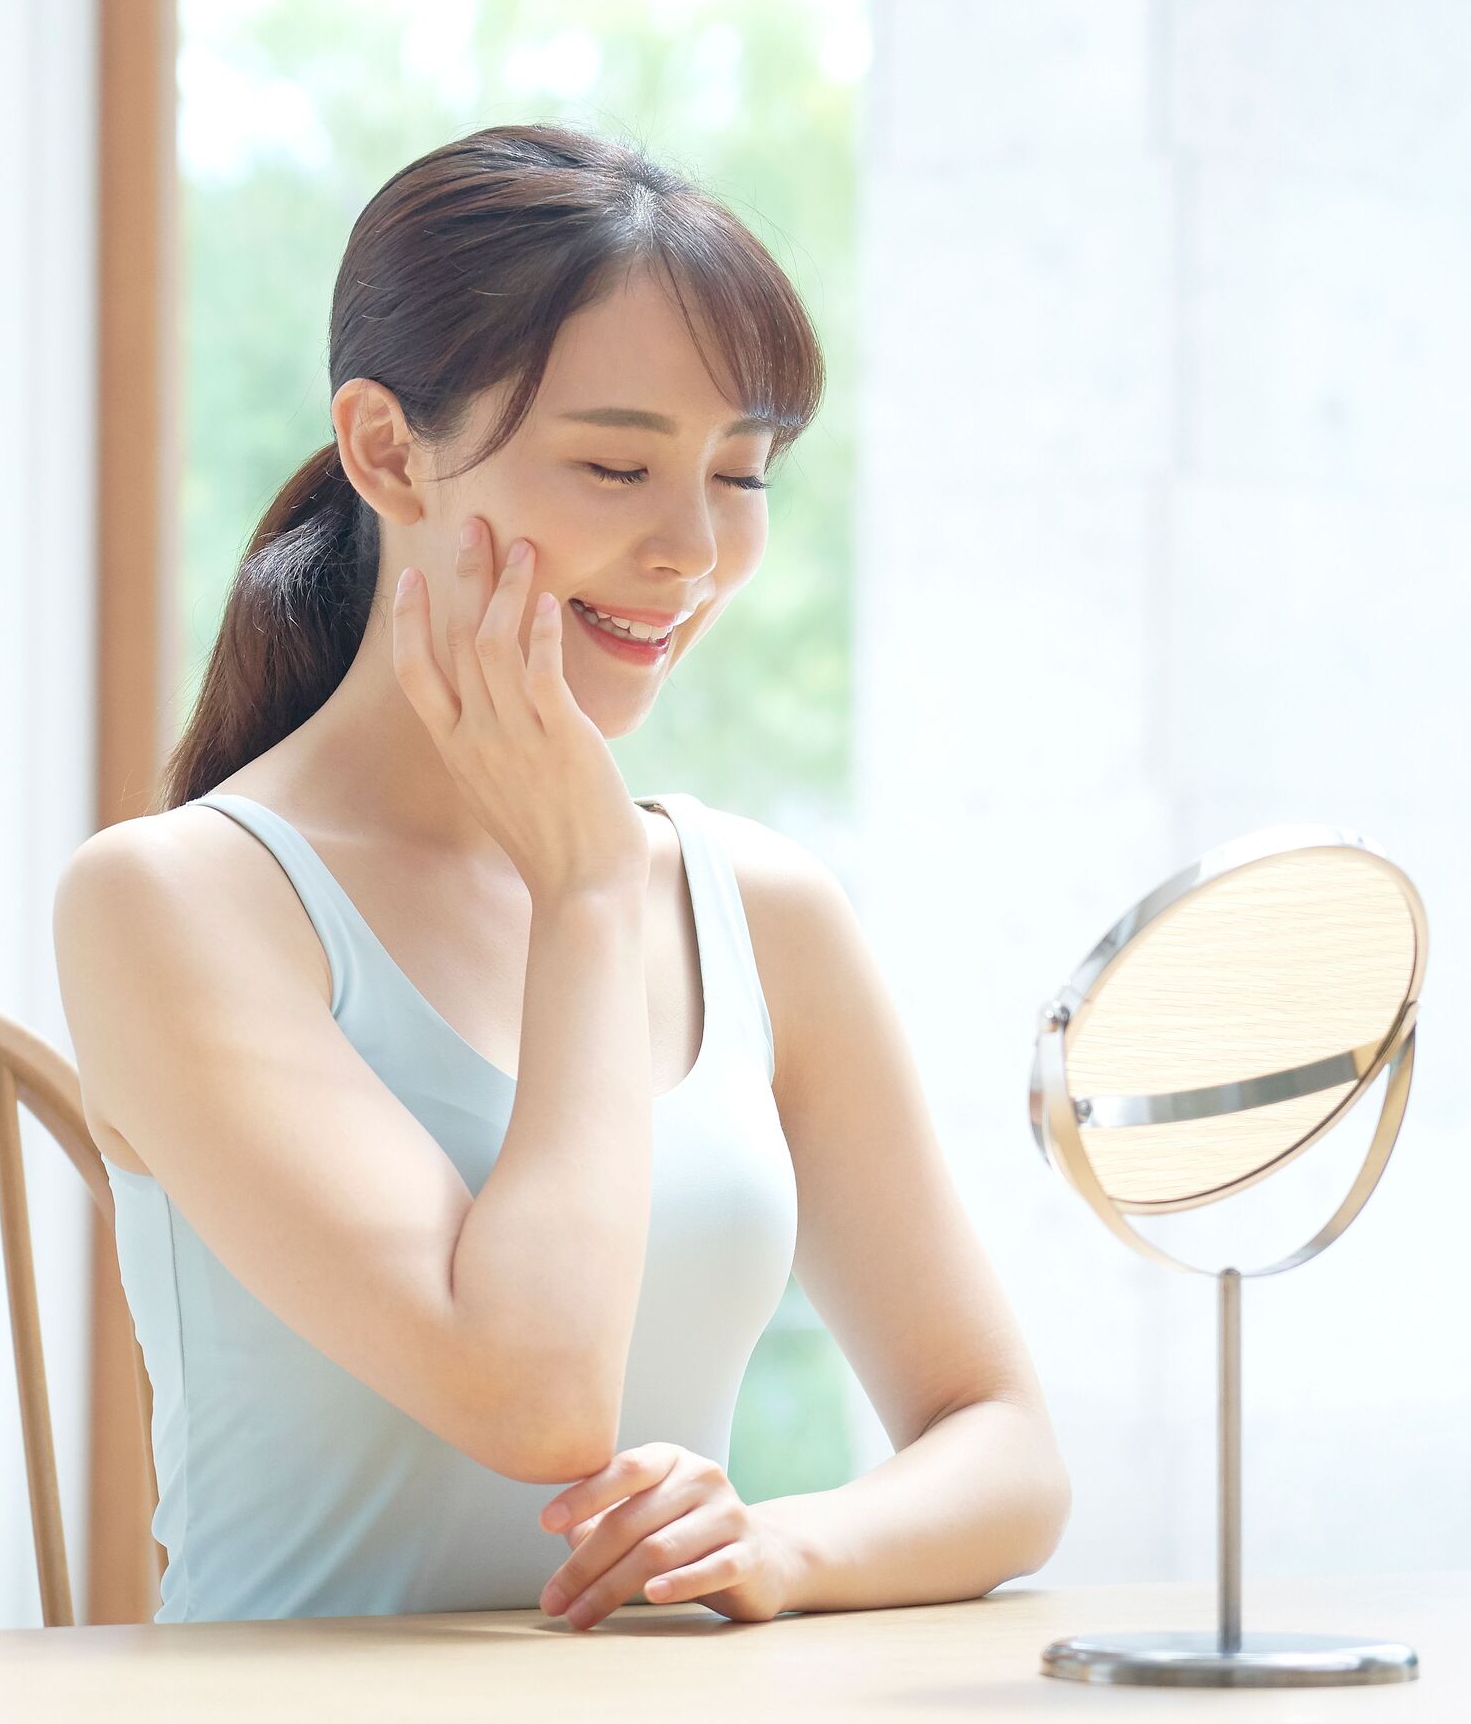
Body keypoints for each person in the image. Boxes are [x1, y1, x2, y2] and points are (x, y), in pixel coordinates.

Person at [54, 123, 1068, 1628]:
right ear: (388, 450)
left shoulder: (763, 914)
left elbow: (1004, 1443)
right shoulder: (176, 904)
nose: (692, 553)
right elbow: (531, 1392)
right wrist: (588, 891)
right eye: (615, 465)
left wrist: (779, 1550)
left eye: (743, 475)